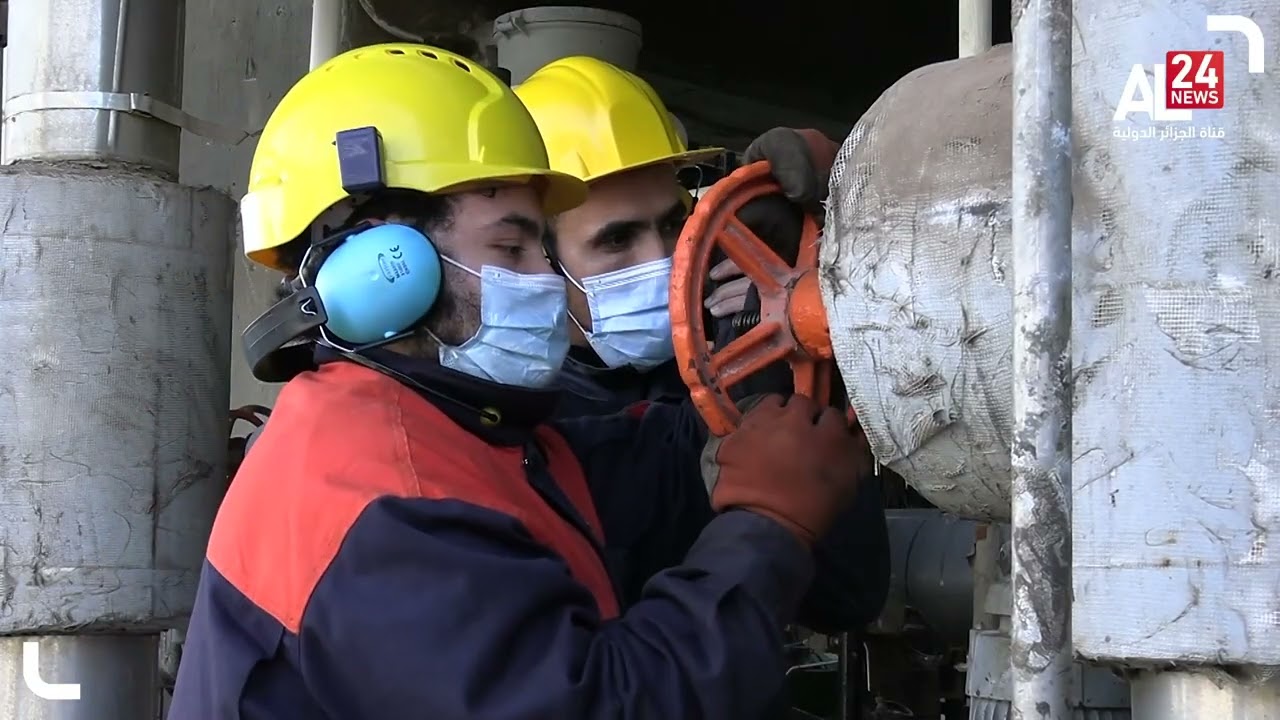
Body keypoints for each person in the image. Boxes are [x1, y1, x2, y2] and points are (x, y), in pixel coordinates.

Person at [170, 43, 876, 719]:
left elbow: (655, 463)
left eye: (540, 245)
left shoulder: (457, 433)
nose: (544, 279)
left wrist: (771, 307)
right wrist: (766, 529)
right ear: (381, 265)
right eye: (511, 246)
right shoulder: (384, 508)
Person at [515, 56, 889, 631]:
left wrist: (784, 374)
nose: (663, 262)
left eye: (672, 224)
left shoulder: (736, 354)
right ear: (536, 263)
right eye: (617, 239)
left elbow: (850, 597)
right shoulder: (519, 421)